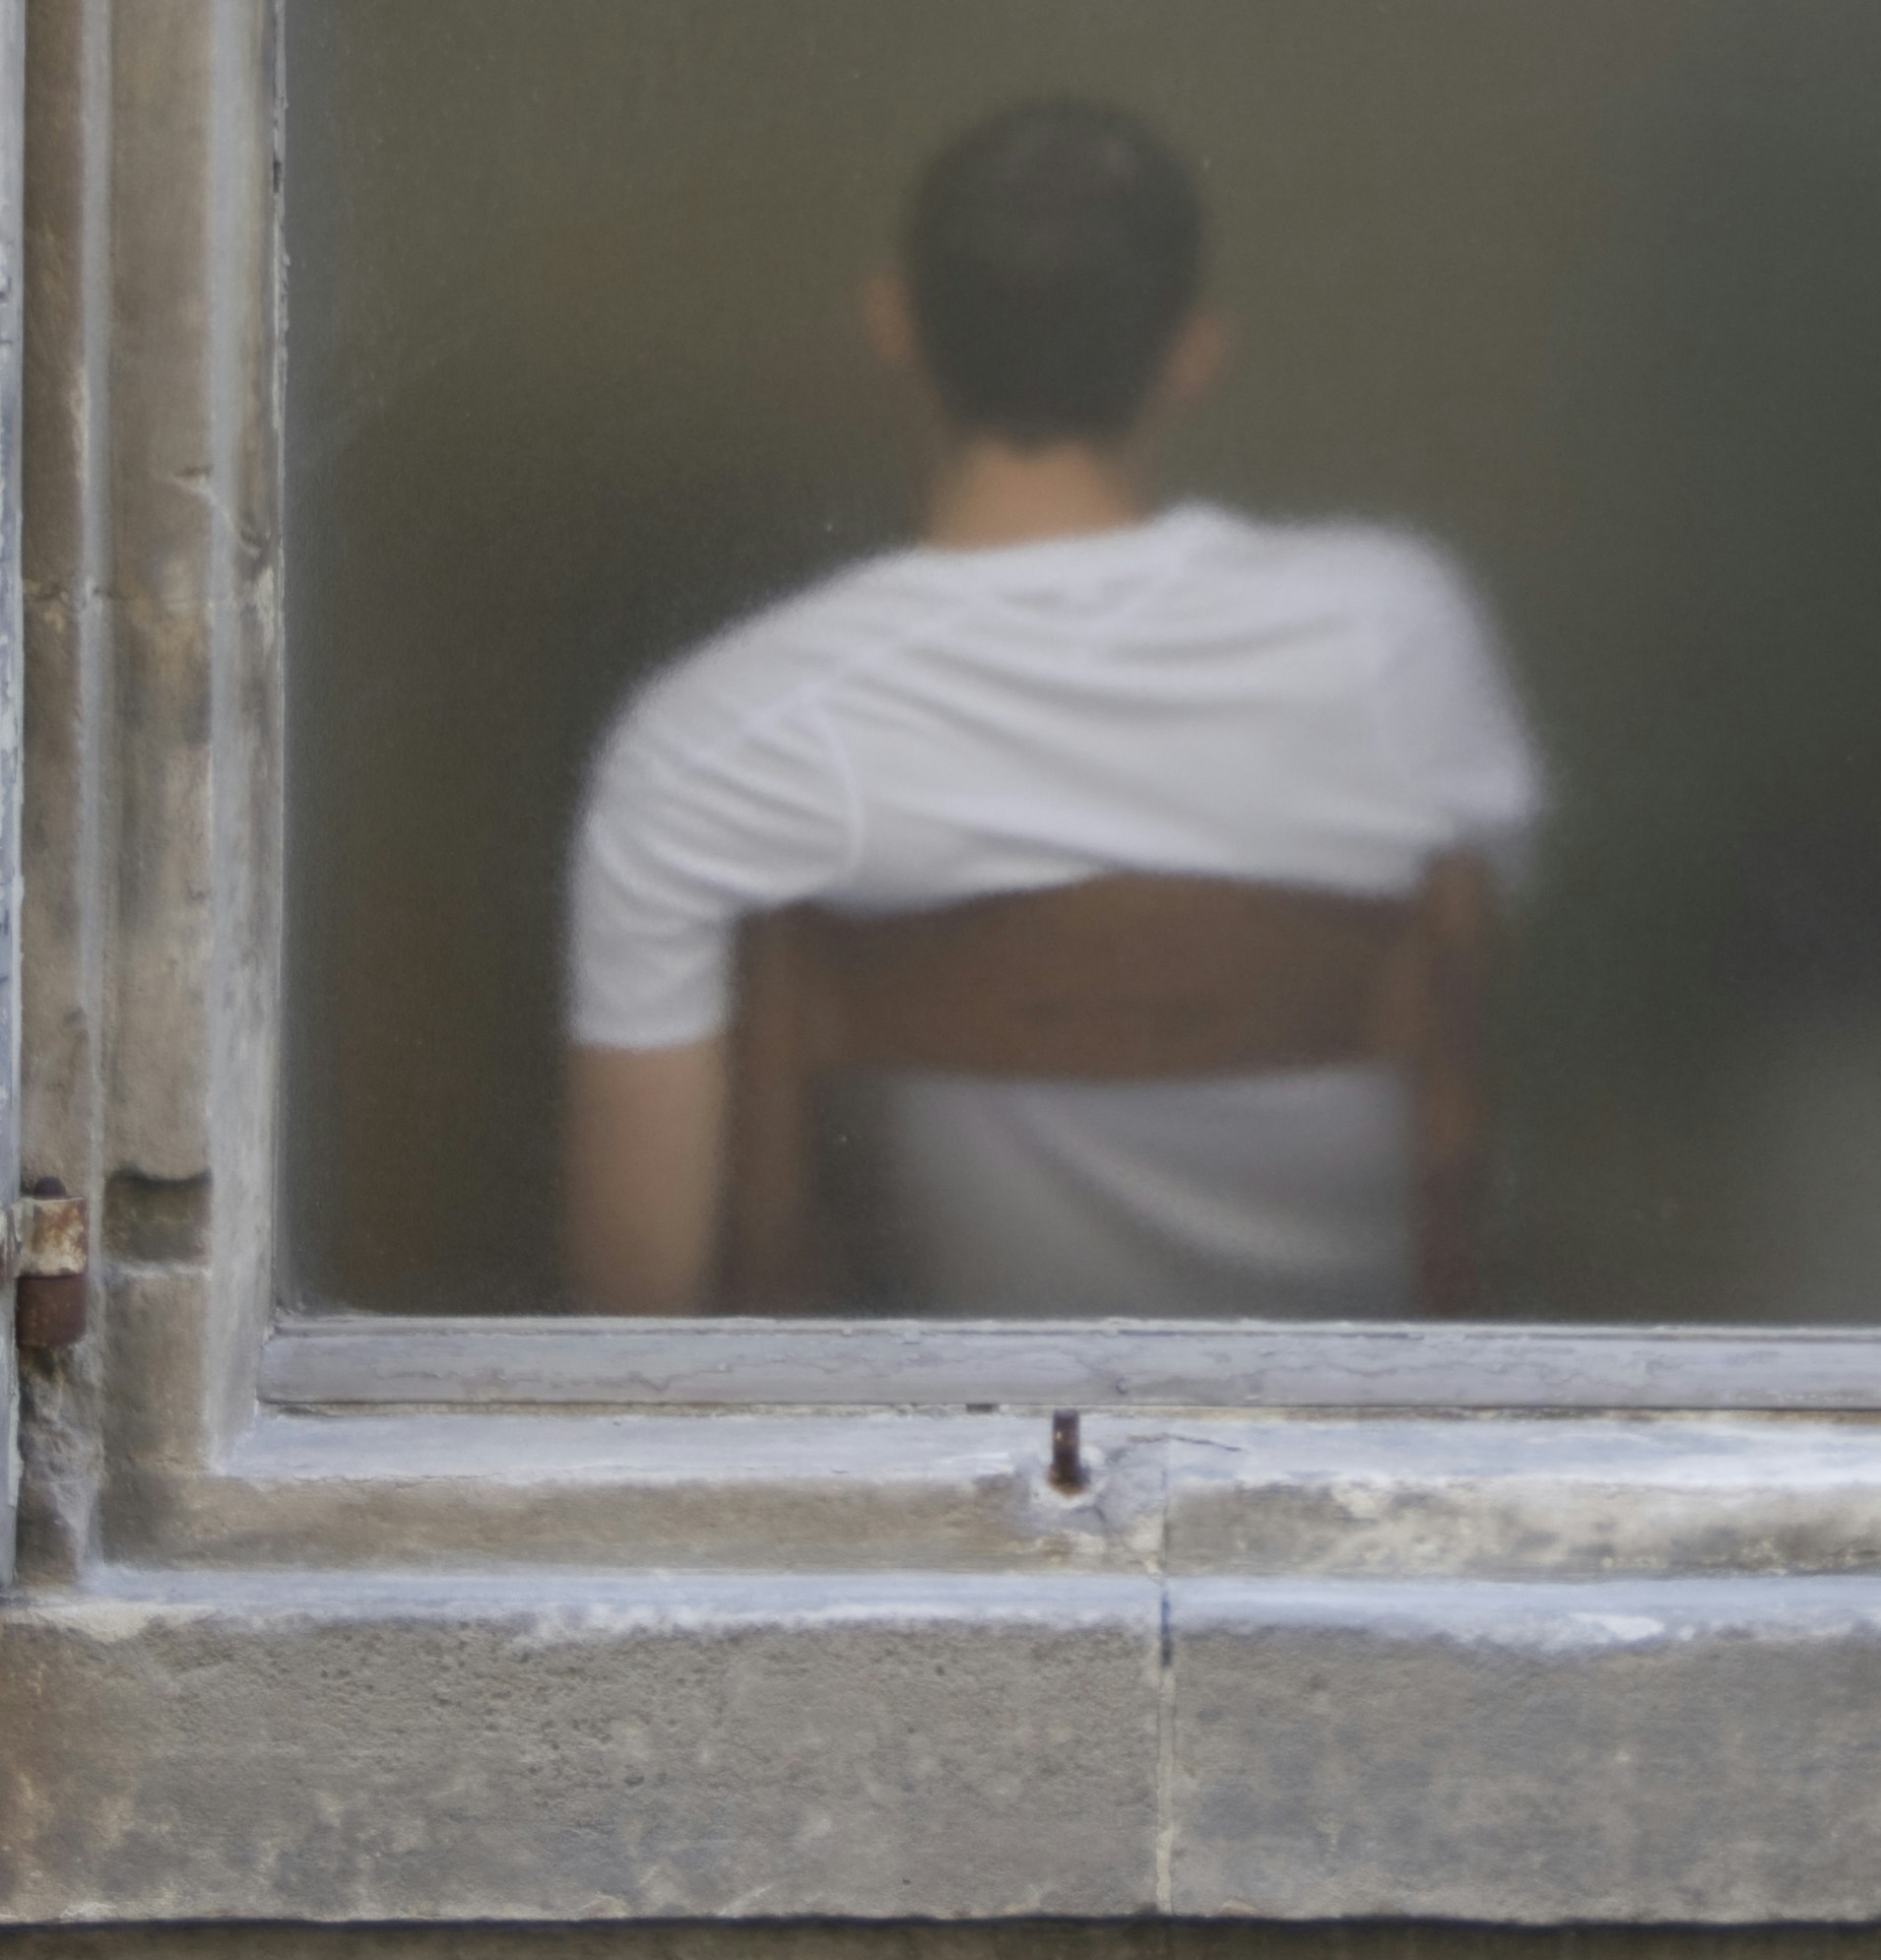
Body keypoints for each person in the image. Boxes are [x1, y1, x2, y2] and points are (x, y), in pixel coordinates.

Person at [564, 98, 1545, 1317]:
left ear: (892, 321)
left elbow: (633, 1311)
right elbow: (1499, 976)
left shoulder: (712, 741)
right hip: (1362, 1454)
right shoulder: (1399, 634)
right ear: (1193, 351)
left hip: (956, 1469)